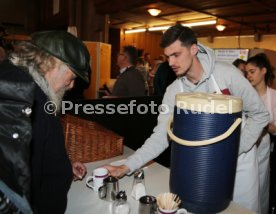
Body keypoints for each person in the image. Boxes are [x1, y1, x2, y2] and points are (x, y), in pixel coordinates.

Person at [104, 24, 269, 213]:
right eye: (168, 57)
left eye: (176, 55)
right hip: (198, 165)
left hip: (238, 163)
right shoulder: (174, 91)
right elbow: (160, 136)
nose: (171, 62)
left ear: (193, 49)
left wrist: (232, 151)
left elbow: (260, 115)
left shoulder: (227, 75)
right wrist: (126, 166)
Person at [1, 30, 90, 213]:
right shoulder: (35, 102)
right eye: (72, 76)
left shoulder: (11, 77)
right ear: (53, 62)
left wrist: (64, 164)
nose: (71, 85)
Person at [245, 53, 276, 214]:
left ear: (263, 71)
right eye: (247, 73)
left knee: (260, 189)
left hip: (263, 151)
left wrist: (262, 123)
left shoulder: (274, 97)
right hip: (245, 150)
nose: (249, 75)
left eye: (252, 71)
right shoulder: (245, 95)